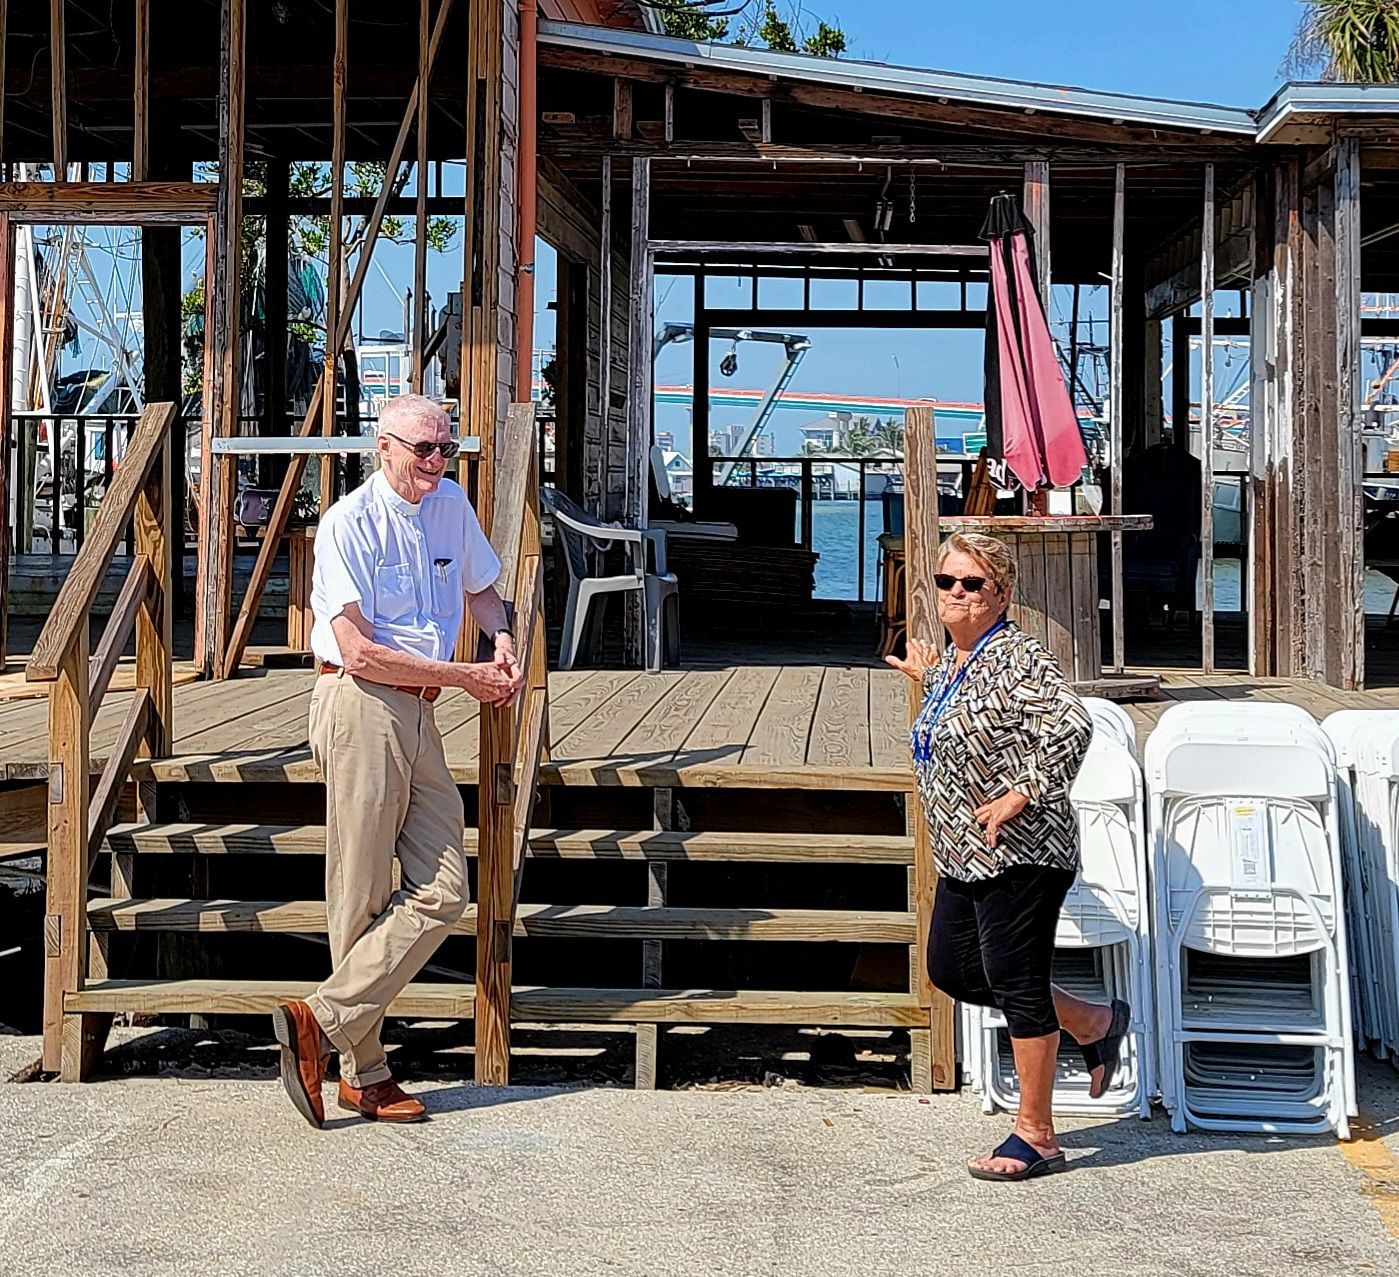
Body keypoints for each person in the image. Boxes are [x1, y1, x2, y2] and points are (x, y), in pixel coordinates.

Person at [272, 394, 524, 1128]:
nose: (437, 461)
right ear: (383, 447)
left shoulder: (449, 504)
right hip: (358, 700)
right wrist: (466, 676)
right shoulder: (348, 522)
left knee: (445, 886)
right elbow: (355, 649)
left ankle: (319, 1021)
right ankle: (366, 1071)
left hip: (420, 706)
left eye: (444, 448)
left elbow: (482, 589)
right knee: (358, 886)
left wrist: (500, 639)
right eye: (423, 449)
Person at [888, 532, 1130, 1182]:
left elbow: (1069, 724)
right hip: (967, 853)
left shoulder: (1018, 657)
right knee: (954, 969)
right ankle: (1092, 1020)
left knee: (1014, 978)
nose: (956, 594)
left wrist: (1021, 791)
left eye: (971, 584)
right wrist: (928, 674)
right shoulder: (963, 658)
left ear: (1001, 593)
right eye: (946, 582)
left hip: (1023, 851)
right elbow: (975, 710)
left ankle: (1037, 1133)